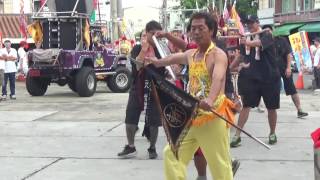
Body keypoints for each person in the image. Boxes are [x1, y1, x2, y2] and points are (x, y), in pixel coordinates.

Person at [146, 12, 233, 180]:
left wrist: (210, 99)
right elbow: (171, 58)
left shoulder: (218, 55)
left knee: (219, 165)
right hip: (192, 116)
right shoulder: (191, 54)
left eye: (201, 28)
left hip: (212, 117)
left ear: (212, 30)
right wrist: (156, 62)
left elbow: (218, 77)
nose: (197, 32)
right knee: (172, 153)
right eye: (193, 29)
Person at [230, 15, 281, 147]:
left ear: (258, 23)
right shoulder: (246, 37)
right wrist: (230, 67)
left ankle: (272, 133)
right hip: (252, 78)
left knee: (271, 107)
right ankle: (237, 135)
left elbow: (258, 44)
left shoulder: (266, 34)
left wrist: (246, 43)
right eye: (248, 24)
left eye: (252, 23)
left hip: (269, 77)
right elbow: (241, 56)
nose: (250, 26)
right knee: (245, 106)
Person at [117, 21, 163, 159]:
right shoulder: (138, 48)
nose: (156, 36)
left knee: (154, 121)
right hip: (138, 86)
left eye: (158, 34)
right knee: (130, 117)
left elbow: (168, 66)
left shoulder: (162, 49)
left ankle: (152, 147)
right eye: (153, 34)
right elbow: (137, 67)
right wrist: (144, 50)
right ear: (147, 33)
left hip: (156, 87)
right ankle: (131, 146)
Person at [262, 25, 308, 118]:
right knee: (270, 89)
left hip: (283, 67)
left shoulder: (281, 40)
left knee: (292, 89)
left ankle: (299, 110)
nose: (267, 33)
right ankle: (269, 109)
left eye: (268, 31)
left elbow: (288, 54)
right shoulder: (262, 43)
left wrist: (288, 68)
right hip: (270, 70)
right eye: (265, 32)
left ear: (272, 31)